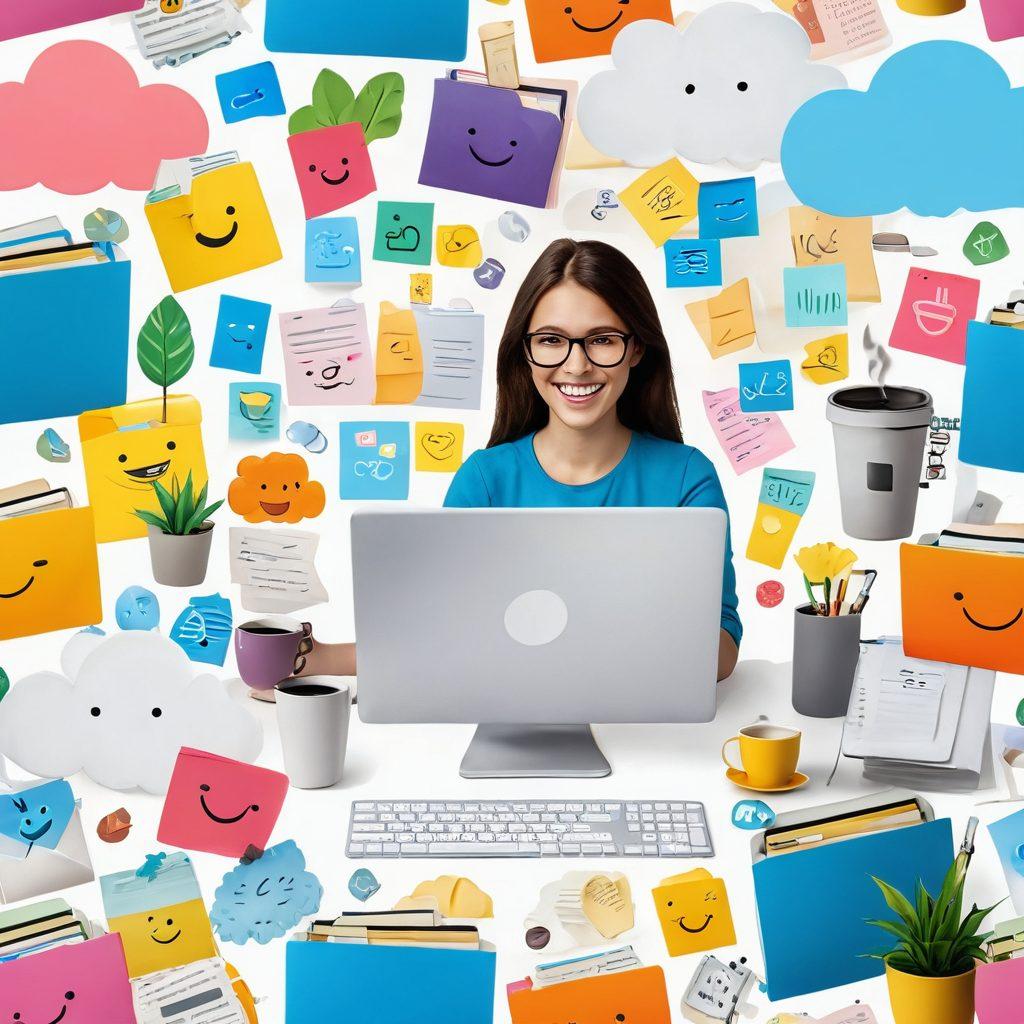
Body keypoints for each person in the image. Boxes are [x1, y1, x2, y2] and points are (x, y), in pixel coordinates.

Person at [296, 238, 741, 682]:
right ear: (525, 351)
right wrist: (320, 659)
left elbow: (721, 652)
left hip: (650, 727)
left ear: (637, 349)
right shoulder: (485, 479)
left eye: (602, 340)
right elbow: (439, 630)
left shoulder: (687, 477)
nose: (577, 365)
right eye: (551, 340)